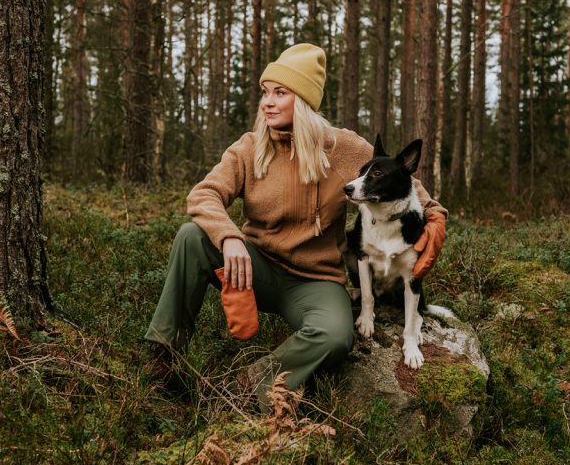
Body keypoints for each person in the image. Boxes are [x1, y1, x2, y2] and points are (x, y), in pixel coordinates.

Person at [144, 43, 447, 406]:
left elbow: (405, 183)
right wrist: (229, 238)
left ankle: (248, 387)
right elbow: (203, 195)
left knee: (336, 335)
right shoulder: (249, 147)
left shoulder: (343, 147)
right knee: (192, 237)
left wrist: (436, 217)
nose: (267, 102)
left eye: (280, 93)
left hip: (316, 282)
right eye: (265, 93)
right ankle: (163, 360)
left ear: (303, 100)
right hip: (255, 269)